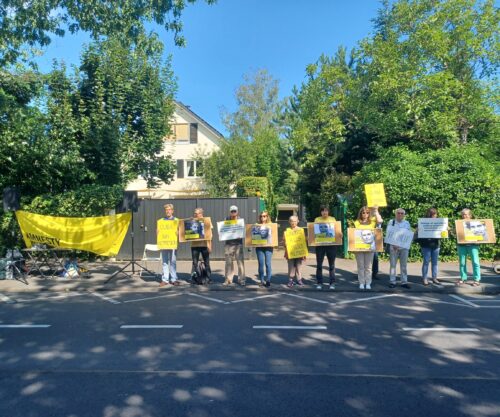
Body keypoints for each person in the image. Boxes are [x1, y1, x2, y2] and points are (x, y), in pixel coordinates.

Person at [354, 206, 382, 290]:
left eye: (367, 212)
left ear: (369, 214)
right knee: (360, 266)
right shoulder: (356, 222)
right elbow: (354, 234)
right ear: (361, 213)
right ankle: (361, 283)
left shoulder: (372, 222)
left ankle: (368, 283)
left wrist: (376, 210)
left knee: (368, 267)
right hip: (359, 248)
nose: (365, 214)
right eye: (363, 212)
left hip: (370, 247)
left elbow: (380, 221)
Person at [387, 208, 412, 289]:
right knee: (393, 265)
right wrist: (393, 244)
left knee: (404, 265)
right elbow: (389, 234)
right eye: (398, 213)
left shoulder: (407, 223)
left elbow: (407, 235)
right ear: (395, 214)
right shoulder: (391, 222)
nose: (400, 214)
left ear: (404, 215)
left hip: (404, 247)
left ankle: (404, 282)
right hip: (393, 247)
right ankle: (392, 282)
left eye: (402, 213)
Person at [314, 206, 337, 290]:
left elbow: (337, 230)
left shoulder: (333, 219)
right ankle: (319, 283)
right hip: (320, 246)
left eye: (326, 210)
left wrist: (339, 234)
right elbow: (314, 231)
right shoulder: (317, 220)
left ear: (328, 212)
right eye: (323, 211)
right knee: (319, 265)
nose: (324, 212)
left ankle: (332, 283)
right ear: (320, 212)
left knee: (331, 265)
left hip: (331, 245)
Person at [457, 208, 481, 286]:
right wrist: (451, 231)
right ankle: (463, 278)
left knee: (475, 262)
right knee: (462, 263)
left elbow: (480, 234)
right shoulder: (459, 223)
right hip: (462, 246)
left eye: (466, 214)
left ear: (470, 215)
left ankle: (476, 280)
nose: (465, 216)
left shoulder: (476, 223)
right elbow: (456, 234)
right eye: (463, 214)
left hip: (473, 245)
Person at [417, 208, 441, 286]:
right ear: (429, 215)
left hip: (435, 244)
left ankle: (434, 278)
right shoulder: (423, 222)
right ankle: (424, 278)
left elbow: (443, 232)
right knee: (426, 261)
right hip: (425, 245)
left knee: (435, 263)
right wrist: (418, 230)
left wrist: (446, 230)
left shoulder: (439, 222)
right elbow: (418, 232)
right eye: (433, 214)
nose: (435, 216)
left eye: (435, 214)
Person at [158, 204, 180, 287]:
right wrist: (158, 232)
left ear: (172, 211)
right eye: (166, 210)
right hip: (164, 243)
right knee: (164, 262)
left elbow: (180, 233)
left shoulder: (177, 220)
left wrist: (178, 233)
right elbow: (158, 233)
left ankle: (174, 279)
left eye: (169, 209)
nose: (168, 211)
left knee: (173, 262)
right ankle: (165, 279)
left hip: (172, 244)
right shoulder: (161, 221)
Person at [223, 205, 246, 286]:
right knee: (228, 263)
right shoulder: (226, 219)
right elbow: (223, 231)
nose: (233, 213)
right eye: (232, 211)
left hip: (238, 244)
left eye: (235, 211)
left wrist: (241, 233)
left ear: (237, 212)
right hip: (228, 244)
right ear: (230, 212)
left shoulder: (240, 220)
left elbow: (243, 232)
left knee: (240, 263)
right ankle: (228, 279)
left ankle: (241, 280)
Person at [283, 215, 307, 288]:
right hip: (290, 252)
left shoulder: (301, 230)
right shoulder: (287, 231)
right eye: (292, 221)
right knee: (291, 266)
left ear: (297, 221)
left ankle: (299, 279)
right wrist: (285, 242)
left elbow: (304, 241)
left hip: (299, 251)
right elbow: (284, 240)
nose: (293, 223)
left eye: (295, 221)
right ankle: (290, 280)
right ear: (289, 222)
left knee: (298, 266)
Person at [190, 207, 212, 283]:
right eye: (195, 213)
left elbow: (210, 235)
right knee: (195, 263)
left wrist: (210, 246)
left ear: (201, 213)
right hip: (194, 246)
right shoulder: (192, 221)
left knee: (207, 263)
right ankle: (195, 278)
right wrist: (189, 222)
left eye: (198, 213)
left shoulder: (206, 221)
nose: (196, 215)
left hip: (204, 245)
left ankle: (208, 278)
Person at [255, 210, 273, 287]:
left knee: (268, 264)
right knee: (261, 264)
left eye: (264, 216)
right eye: (261, 216)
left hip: (268, 247)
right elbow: (254, 236)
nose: (263, 217)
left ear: (267, 217)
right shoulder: (256, 225)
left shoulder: (272, 225)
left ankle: (268, 280)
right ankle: (262, 280)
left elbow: (274, 236)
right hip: (259, 247)